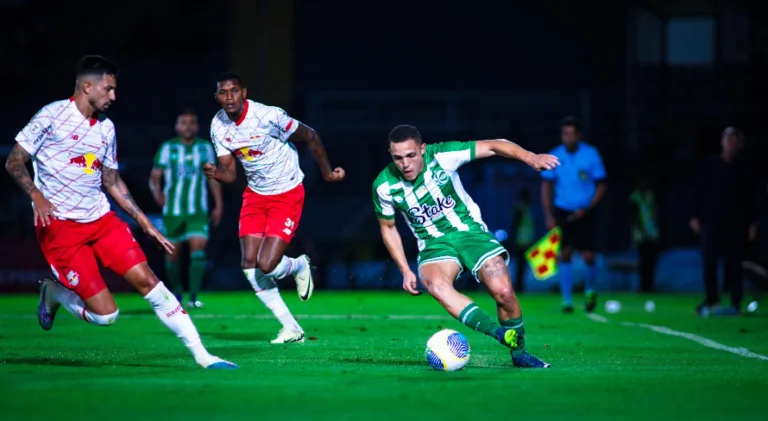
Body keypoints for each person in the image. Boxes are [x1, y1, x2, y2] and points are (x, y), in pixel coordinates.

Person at [4, 55, 236, 369]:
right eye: (109, 89)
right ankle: (55, 293)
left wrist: (145, 223)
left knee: (149, 281)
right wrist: (36, 195)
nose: (114, 96)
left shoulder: (106, 128)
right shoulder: (50, 117)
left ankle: (203, 356)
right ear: (88, 87)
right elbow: (14, 161)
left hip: (101, 220)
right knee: (106, 316)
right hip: (60, 227)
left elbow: (111, 180)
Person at [373, 124, 558, 368]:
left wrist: (530, 157)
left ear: (422, 149)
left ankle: (519, 354)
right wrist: (405, 270)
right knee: (436, 286)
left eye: (411, 155)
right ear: (390, 154)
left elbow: (495, 144)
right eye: (398, 158)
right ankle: (499, 333)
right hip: (434, 245)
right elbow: (388, 227)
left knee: (503, 292)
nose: (405, 164)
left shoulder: (442, 156)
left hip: (470, 234)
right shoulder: (384, 186)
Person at [204, 72, 345, 343]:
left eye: (234, 91)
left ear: (244, 92)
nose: (229, 97)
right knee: (249, 265)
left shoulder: (268, 116)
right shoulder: (218, 125)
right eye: (223, 93)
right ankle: (292, 328)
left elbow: (311, 135)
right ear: (217, 97)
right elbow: (230, 174)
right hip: (255, 195)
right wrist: (215, 173)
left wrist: (327, 173)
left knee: (266, 265)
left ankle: (298, 265)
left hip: (287, 193)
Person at [149, 107, 223, 308]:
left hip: (197, 211)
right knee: (172, 255)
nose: (188, 126)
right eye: (183, 122)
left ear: (197, 126)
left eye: (191, 122)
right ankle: (177, 292)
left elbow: (213, 178)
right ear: (177, 126)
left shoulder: (205, 148)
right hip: (173, 211)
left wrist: (218, 205)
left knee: (198, 248)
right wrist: (157, 193)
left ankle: (193, 297)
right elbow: (155, 176)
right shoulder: (168, 148)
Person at [541, 116, 607, 313]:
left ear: (579, 135)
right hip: (563, 209)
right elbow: (546, 185)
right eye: (565, 134)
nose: (567, 138)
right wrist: (548, 214)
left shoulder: (591, 154)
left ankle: (590, 289)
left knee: (588, 255)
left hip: (586, 211)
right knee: (565, 253)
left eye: (571, 134)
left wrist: (588, 207)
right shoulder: (555, 155)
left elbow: (601, 185)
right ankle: (567, 300)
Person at [690, 127, 759, 316]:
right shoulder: (709, 165)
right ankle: (711, 297)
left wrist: (753, 222)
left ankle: (736, 299)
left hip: (736, 222)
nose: (731, 144)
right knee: (709, 259)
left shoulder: (744, 168)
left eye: (735, 141)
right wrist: (695, 216)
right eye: (729, 140)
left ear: (740, 145)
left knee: (735, 261)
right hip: (712, 220)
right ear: (722, 142)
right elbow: (698, 191)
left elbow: (751, 197)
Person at [628, 176, 660, 292]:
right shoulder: (634, 197)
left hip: (652, 233)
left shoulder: (651, 196)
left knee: (651, 261)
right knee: (643, 261)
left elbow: (655, 213)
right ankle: (643, 287)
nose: (643, 185)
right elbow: (632, 215)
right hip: (640, 235)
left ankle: (650, 286)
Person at [509, 188, 535, 292]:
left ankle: (520, 285)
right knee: (520, 266)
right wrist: (513, 240)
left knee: (522, 266)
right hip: (520, 242)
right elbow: (514, 225)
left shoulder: (526, 209)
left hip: (526, 241)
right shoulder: (520, 209)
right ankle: (518, 286)